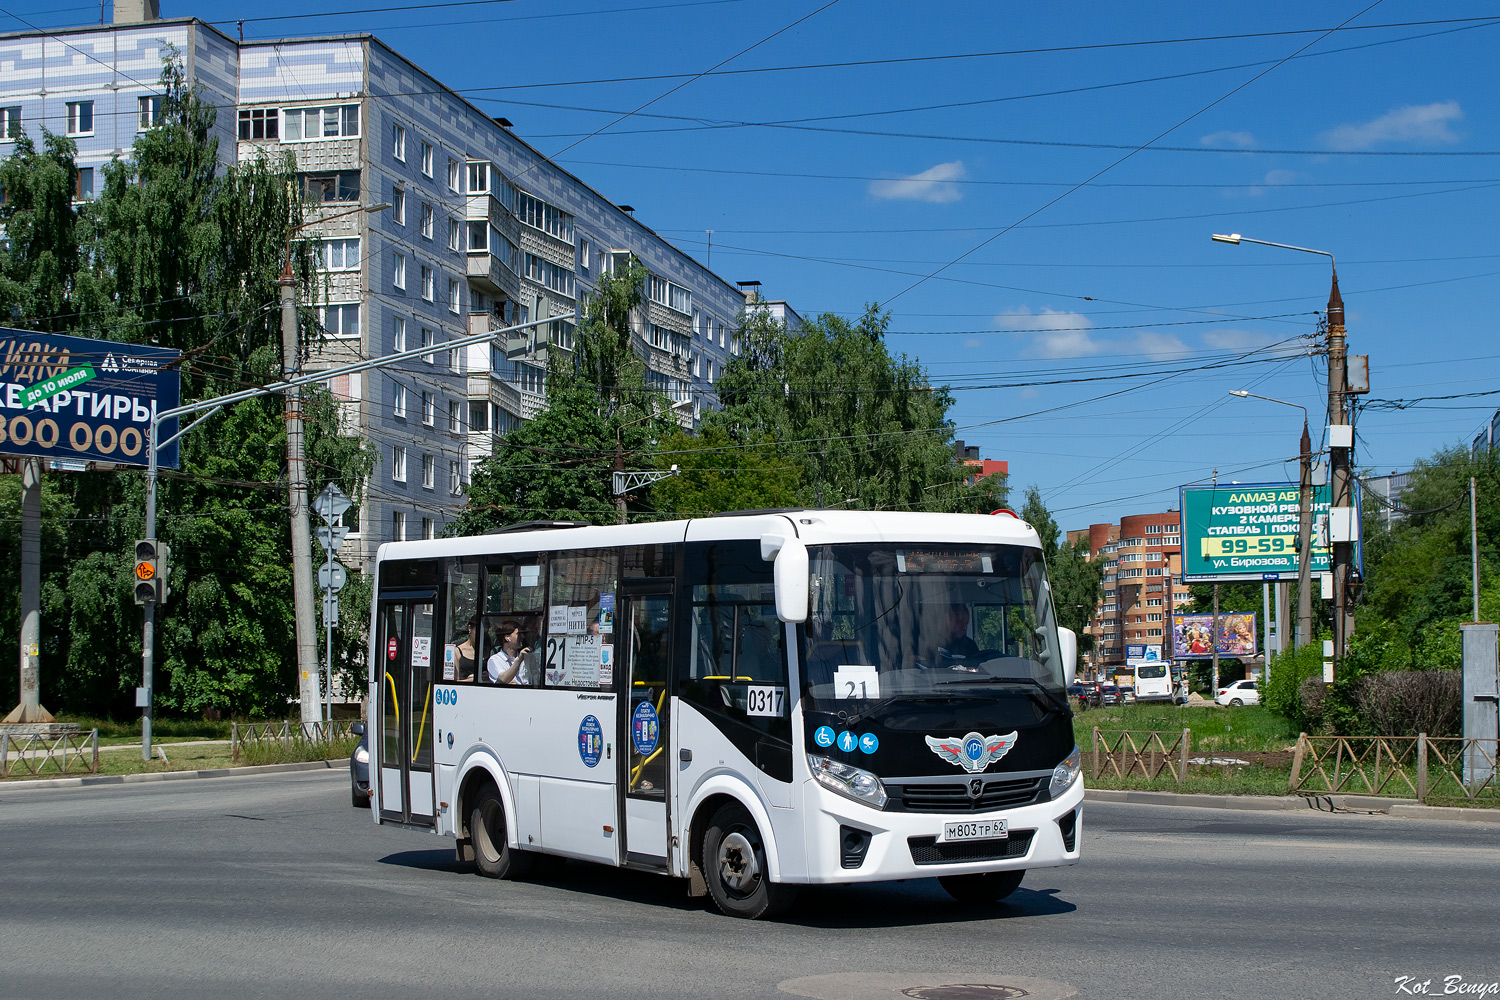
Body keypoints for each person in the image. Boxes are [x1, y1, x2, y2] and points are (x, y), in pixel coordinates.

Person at [486, 620, 533, 685]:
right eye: (518, 634)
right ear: (507, 638)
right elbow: (504, 679)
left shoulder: (525, 657)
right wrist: (519, 660)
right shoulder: (495, 660)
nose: (522, 637)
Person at [454, 617, 480, 682]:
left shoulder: (490, 651)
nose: (481, 635)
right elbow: (454, 681)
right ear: (470, 628)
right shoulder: (457, 651)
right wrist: (472, 680)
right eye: (478, 630)